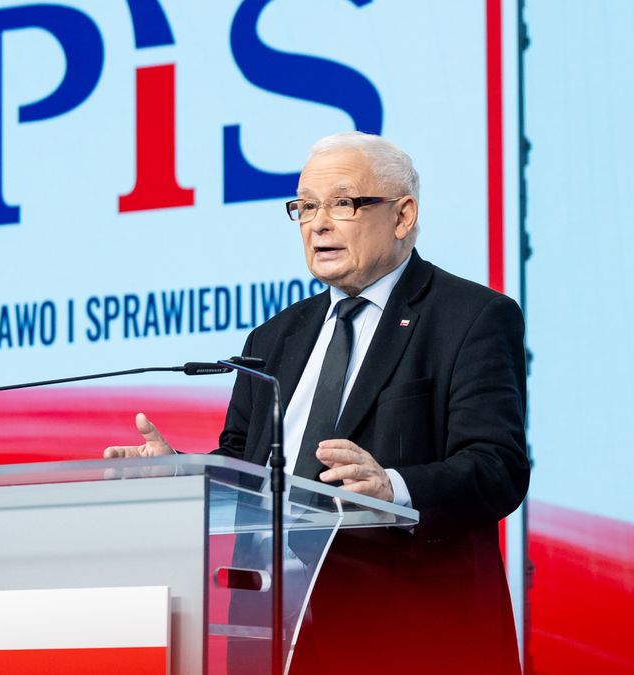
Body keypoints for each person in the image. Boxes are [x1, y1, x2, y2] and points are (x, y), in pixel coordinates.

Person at [105, 131, 529, 674]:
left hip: (407, 635)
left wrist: (392, 489)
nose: (318, 224)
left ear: (402, 216)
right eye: (305, 207)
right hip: (271, 633)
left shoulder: (470, 317)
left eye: (342, 203)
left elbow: (497, 467)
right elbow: (243, 466)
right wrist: (182, 475)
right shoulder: (273, 338)